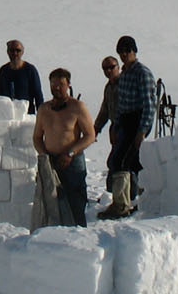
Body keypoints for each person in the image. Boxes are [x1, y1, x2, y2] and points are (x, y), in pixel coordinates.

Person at [99, 35, 156, 219]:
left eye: (127, 51)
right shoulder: (124, 75)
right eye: (121, 52)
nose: (124, 55)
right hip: (124, 121)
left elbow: (149, 104)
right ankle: (125, 202)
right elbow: (115, 106)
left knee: (125, 161)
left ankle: (124, 204)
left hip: (137, 121)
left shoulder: (142, 73)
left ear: (134, 51)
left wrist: (142, 131)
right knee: (122, 161)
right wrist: (115, 126)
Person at [31, 68, 96, 227]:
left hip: (72, 162)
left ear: (68, 85)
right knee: (51, 204)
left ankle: (79, 237)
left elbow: (90, 135)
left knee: (75, 204)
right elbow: (37, 137)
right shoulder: (44, 109)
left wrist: (70, 152)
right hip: (51, 162)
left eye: (61, 84)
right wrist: (44, 156)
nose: (57, 88)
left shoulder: (77, 107)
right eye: (53, 84)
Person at [0, 39, 44, 112]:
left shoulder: (30, 70)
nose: (15, 53)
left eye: (18, 50)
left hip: (26, 116)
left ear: (22, 52)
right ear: (8, 52)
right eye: (12, 50)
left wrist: (41, 116)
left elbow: (38, 96)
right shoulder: (3, 70)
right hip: (7, 115)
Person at [91, 55, 120, 135]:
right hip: (115, 128)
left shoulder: (125, 83)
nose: (108, 71)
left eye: (111, 67)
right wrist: (95, 129)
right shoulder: (108, 88)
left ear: (118, 67)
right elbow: (104, 111)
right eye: (105, 68)